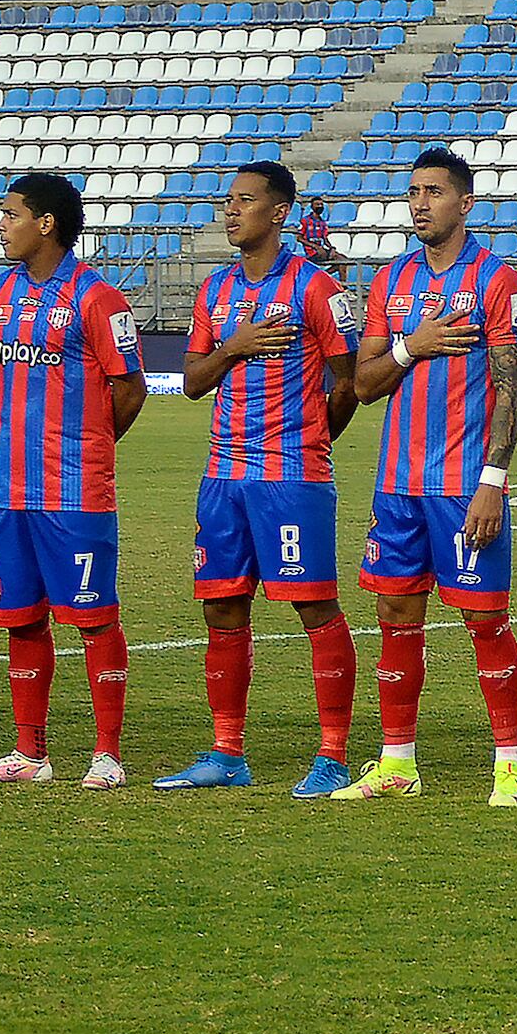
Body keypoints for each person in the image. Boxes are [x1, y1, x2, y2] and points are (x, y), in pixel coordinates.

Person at [157, 163, 362, 798]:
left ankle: (332, 756)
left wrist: (310, 440)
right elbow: (193, 381)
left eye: (245, 201)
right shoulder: (214, 290)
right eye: (228, 200)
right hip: (223, 474)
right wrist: (235, 346)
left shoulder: (315, 288)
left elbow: (348, 380)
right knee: (221, 604)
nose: (230, 210)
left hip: (291, 473)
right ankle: (227, 752)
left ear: (279, 213)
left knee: (313, 605)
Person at [345, 149, 517, 805]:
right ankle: (398, 761)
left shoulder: (499, 283)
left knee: (485, 621)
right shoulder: (390, 281)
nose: (420, 202)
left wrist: (493, 481)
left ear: (465, 203)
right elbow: (363, 383)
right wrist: (410, 345)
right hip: (398, 484)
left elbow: (513, 389)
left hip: (463, 483)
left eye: (433, 191)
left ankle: (509, 763)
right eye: (413, 191)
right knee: (396, 616)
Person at [0, 173, 144, 787]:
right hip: (7, 488)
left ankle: (107, 754)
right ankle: (29, 754)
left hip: (74, 491)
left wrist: (87, 447)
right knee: (21, 618)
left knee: (93, 618)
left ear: (45, 224)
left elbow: (129, 388)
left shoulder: (98, 298)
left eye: (9, 215)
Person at [296, 193, 341, 269]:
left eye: (321, 204)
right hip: (311, 252)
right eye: (317, 204)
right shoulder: (305, 221)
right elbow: (299, 238)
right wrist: (315, 246)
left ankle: (329, 277)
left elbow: (325, 239)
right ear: (312, 206)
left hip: (321, 250)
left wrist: (331, 248)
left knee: (342, 260)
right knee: (335, 258)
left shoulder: (322, 222)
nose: (320, 206)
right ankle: (324, 276)